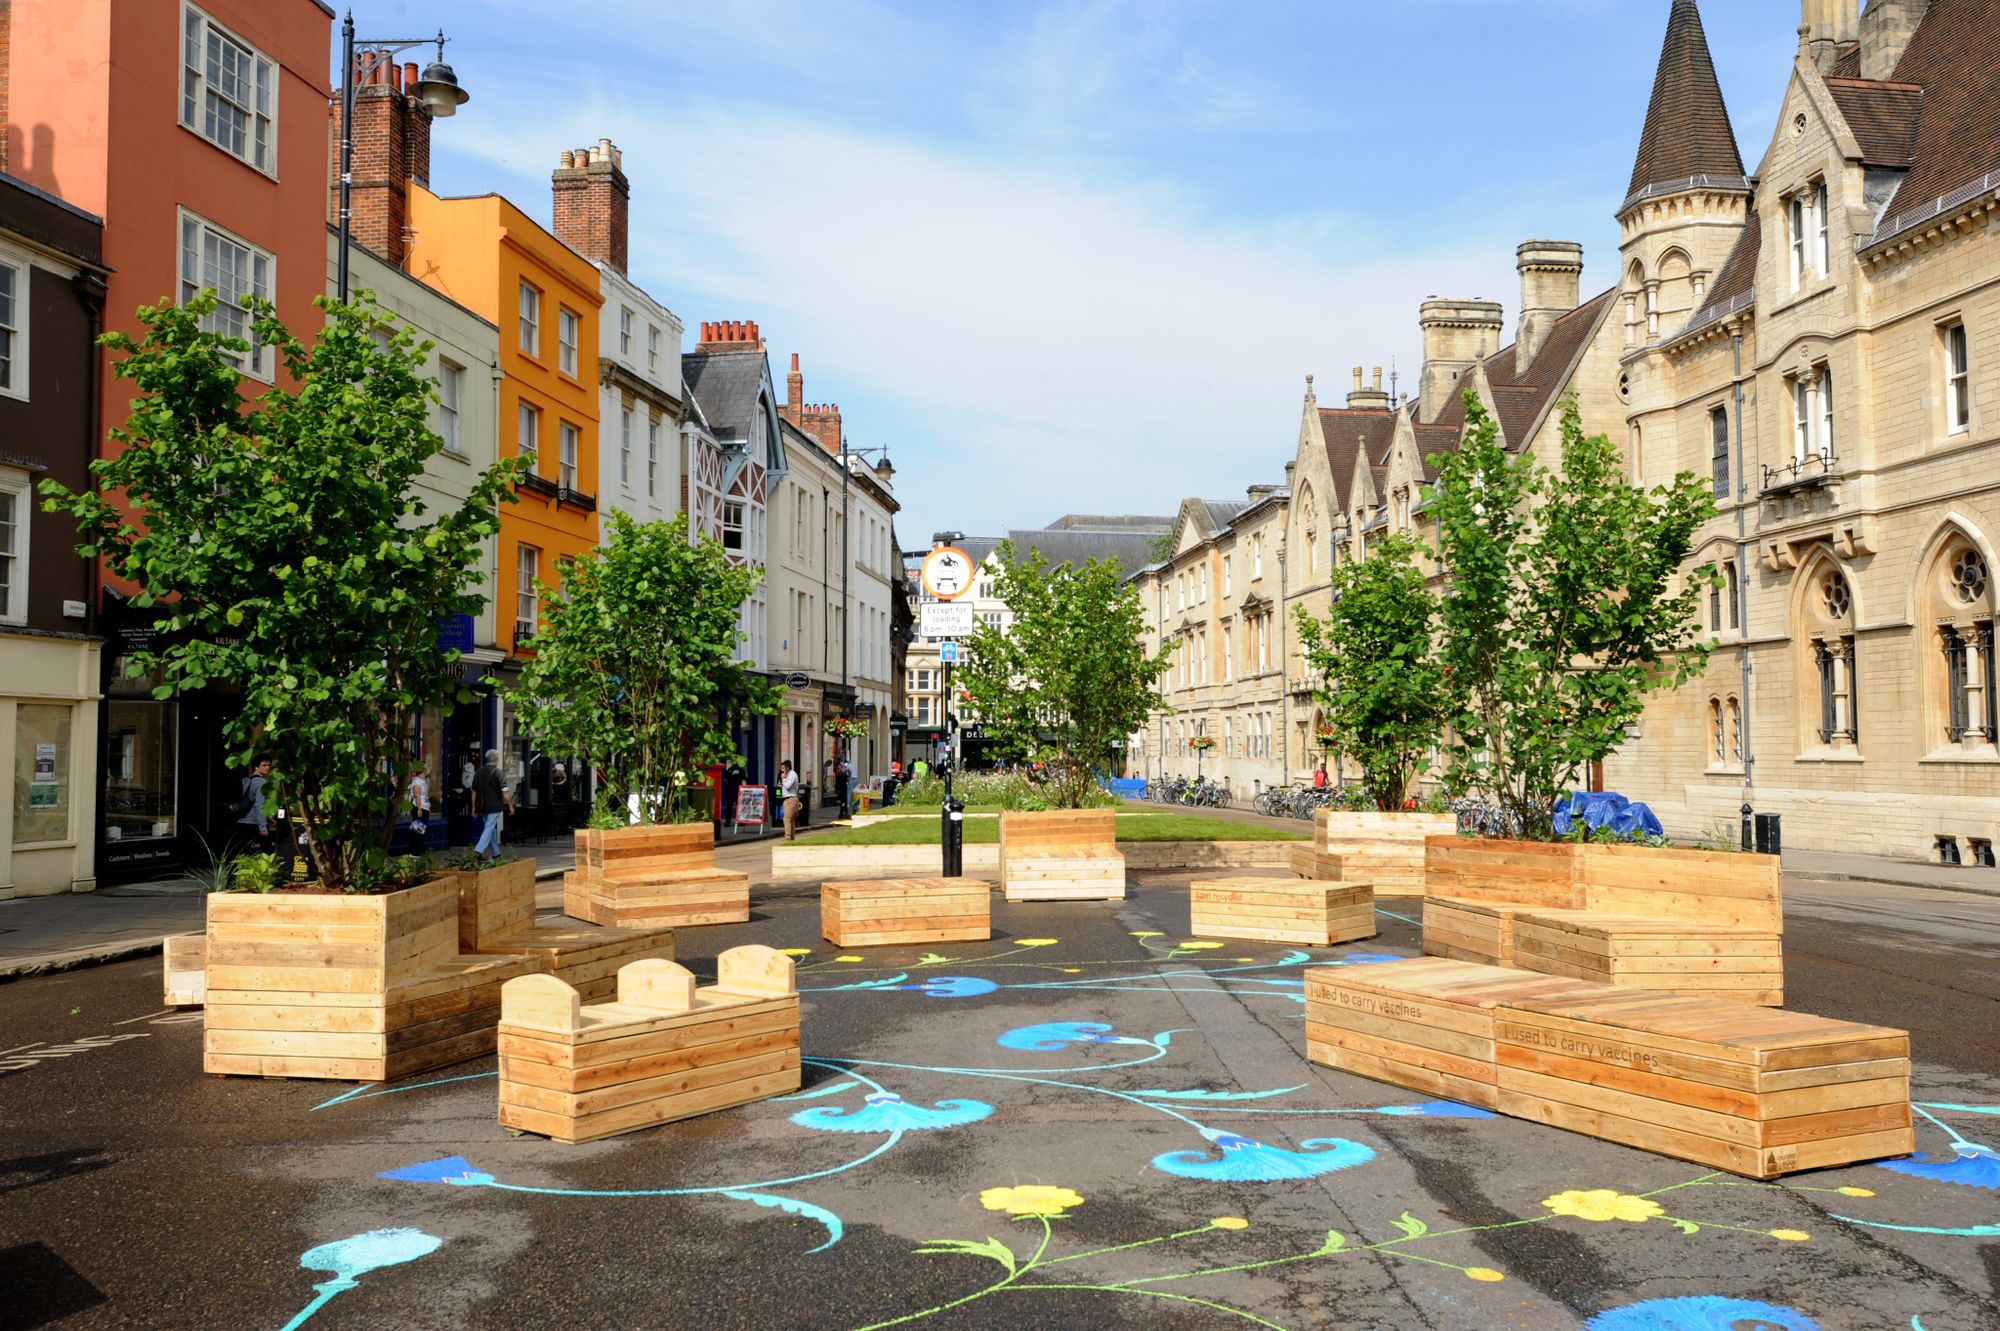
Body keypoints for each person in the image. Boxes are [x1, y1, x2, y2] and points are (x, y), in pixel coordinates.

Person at [472, 749, 512, 857]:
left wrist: (473, 807)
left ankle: (496, 853)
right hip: (495, 806)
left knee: (490, 829)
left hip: (482, 805)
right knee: (489, 828)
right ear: (497, 759)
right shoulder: (498, 773)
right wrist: (510, 805)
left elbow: (474, 792)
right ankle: (478, 850)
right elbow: (505, 791)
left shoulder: (478, 772)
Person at [779, 760, 801, 840]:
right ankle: (791, 837)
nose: (782, 770)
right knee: (790, 819)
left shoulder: (792, 775)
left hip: (791, 799)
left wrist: (783, 779)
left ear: (787, 767)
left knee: (787, 819)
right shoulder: (788, 775)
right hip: (787, 799)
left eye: (783, 768)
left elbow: (788, 786)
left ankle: (788, 837)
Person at [833, 753, 852, 820]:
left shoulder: (839, 766)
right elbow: (848, 772)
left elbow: (839, 775)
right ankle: (844, 811)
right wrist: (847, 777)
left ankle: (843, 811)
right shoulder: (842, 766)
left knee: (843, 798)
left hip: (841, 783)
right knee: (844, 798)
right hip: (842, 783)